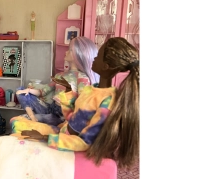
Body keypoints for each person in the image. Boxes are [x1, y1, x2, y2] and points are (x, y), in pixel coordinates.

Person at [16, 37, 139, 168]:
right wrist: (67, 95)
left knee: (18, 126)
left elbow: (85, 141)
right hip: (62, 127)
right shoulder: (91, 89)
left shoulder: (106, 101)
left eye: (98, 56)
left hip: (66, 139)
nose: (93, 58)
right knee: (17, 119)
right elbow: (73, 116)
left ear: (105, 66)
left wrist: (45, 137)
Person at [14, 36, 99, 126]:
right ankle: (32, 117)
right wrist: (28, 90)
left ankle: (35, 119)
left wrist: (72, 119)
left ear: (79, 53)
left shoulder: (82, 78)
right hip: (51, 109)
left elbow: (82, 102)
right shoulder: (59, 75)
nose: (66, 52)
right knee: (20, 91)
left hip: (62, 116)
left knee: (19, 121)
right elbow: (43, 91)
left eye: (70, 50)